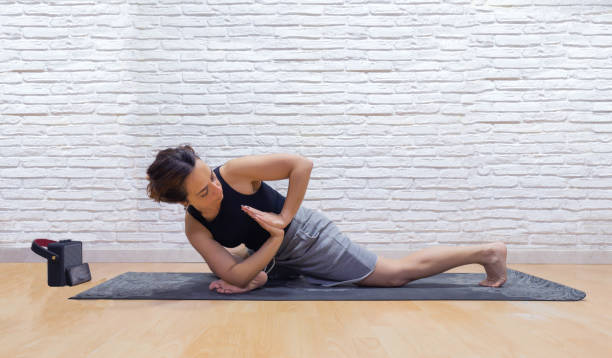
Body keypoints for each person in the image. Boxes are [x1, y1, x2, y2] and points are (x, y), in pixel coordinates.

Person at [146, 145, 507, 294]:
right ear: (184, 203)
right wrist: (271, 241)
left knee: (394, 275)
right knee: (228, 273)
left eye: (210, 176)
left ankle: (488, 252)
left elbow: (300, 165)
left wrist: (285, 218)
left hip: (306, 237)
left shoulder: (236, 172)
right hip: (275, 248)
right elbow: (232, 275)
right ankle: (267, 272)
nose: (216, 187)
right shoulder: (195, 226)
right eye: (205, 191)